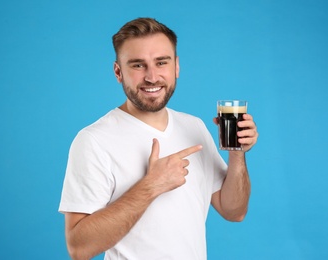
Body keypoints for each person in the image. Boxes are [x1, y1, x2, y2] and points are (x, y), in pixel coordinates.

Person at [59, 17, 258, 260]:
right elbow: (79, 248)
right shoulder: (93, 140)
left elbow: (234, 211)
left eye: (161, 62)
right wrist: (151, 185)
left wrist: (237, 153)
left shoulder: (193, 127)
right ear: (118, 72)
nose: (152, 77)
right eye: (138, 65)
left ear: (176, 67)